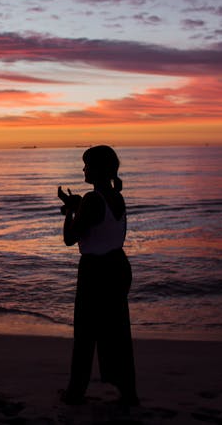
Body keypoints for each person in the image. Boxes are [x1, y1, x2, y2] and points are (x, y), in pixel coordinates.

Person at [58, 145, 138, 406]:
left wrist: (70, 211)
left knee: (85, 333)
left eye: (87, 165)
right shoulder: (116, 196)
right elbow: (100, 223)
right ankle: (127, 391)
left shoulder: (93, 200)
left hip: (96, 271)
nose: (83, 169)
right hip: (117, 266)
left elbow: (71, 238)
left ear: (98, 169)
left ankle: (75, 393)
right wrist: (77, 205)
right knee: (116, 332)